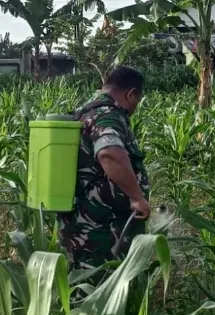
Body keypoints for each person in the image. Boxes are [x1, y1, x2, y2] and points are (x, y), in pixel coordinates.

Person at [59, 66, 151, 273]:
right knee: (97, 284)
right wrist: (137, 197)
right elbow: (109, 152)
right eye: (137, 100)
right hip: (101, 227)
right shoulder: (107, 115)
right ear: (130, 94)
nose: (135, 107)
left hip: (86, 223)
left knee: (84, 280)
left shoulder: (86, 111)